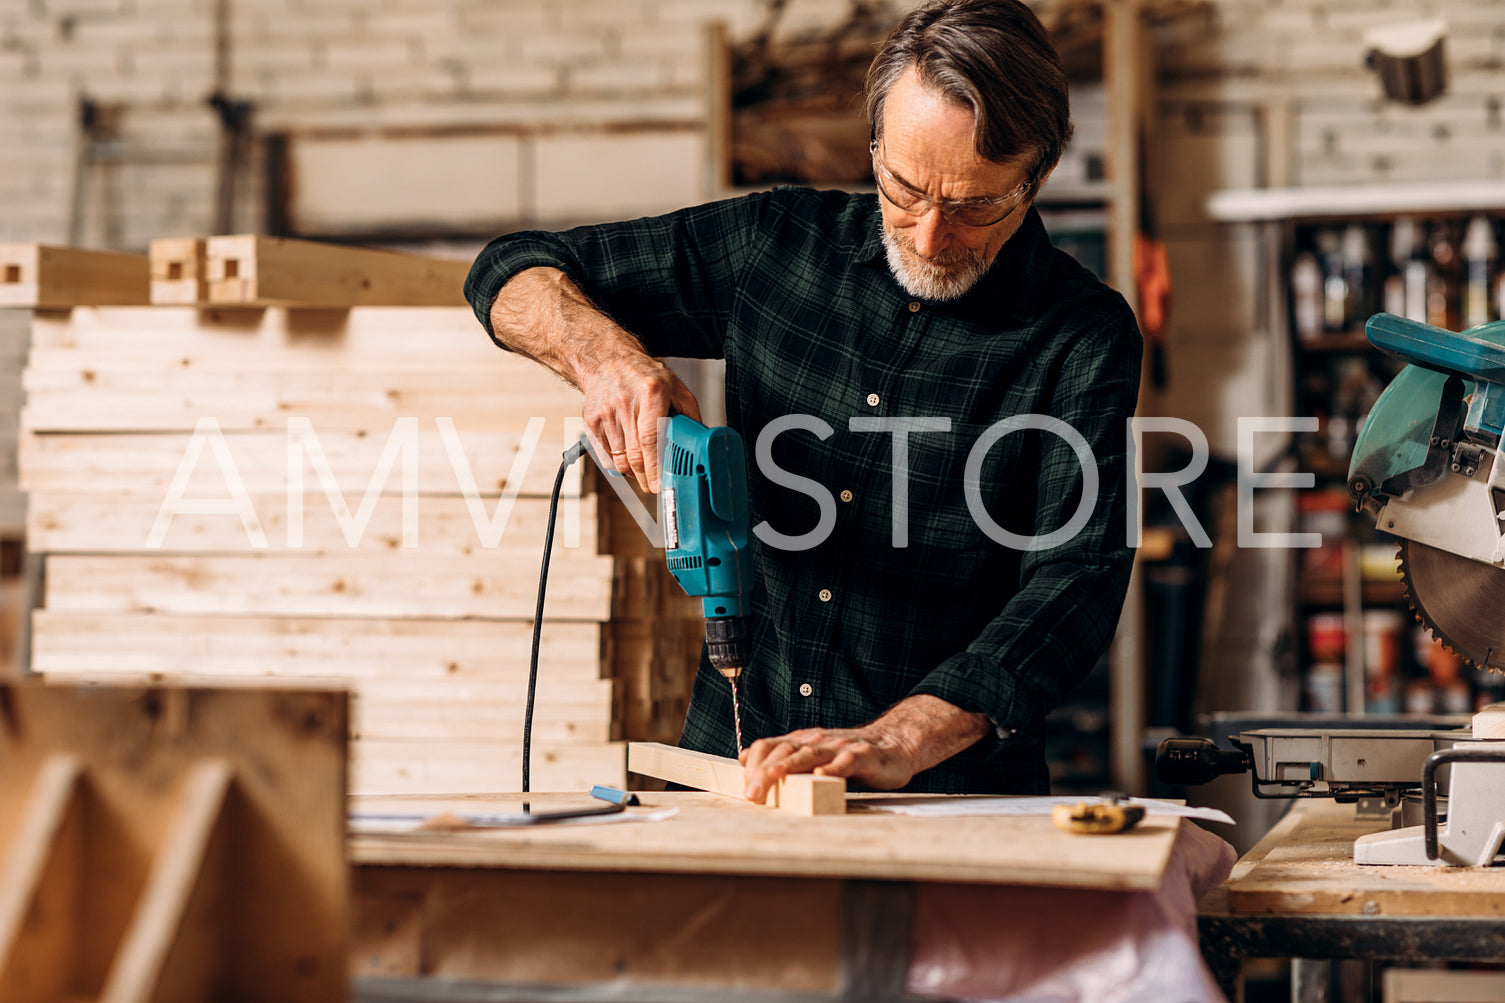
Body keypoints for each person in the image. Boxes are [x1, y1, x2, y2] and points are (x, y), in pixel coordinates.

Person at [465, 0, 1142, 800]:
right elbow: (508, 271)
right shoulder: (773, 245)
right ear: (873, 145)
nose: (928, 238)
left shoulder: (1082, 336)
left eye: (973, 205)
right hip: (730, 764)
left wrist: (897, 735)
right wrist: (606, 358)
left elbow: (1076, 577)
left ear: (1039, 173)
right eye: (904, 187)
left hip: (943, 792)